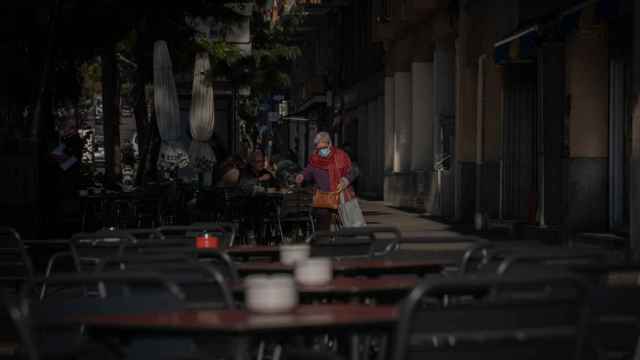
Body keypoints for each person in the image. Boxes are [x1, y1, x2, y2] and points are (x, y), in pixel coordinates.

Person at [295, 132, 361, 230]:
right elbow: (308, 171)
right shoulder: (315, 159)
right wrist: (302, 175)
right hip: (324, 199)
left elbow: (354, 170)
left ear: (329, 144)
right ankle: (324, 240)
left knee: (348, 226)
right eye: (319, 149)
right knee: (323, 216)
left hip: (341, 197)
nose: (321, 151)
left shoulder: (341, 155)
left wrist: (345, 180)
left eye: (323, 148)